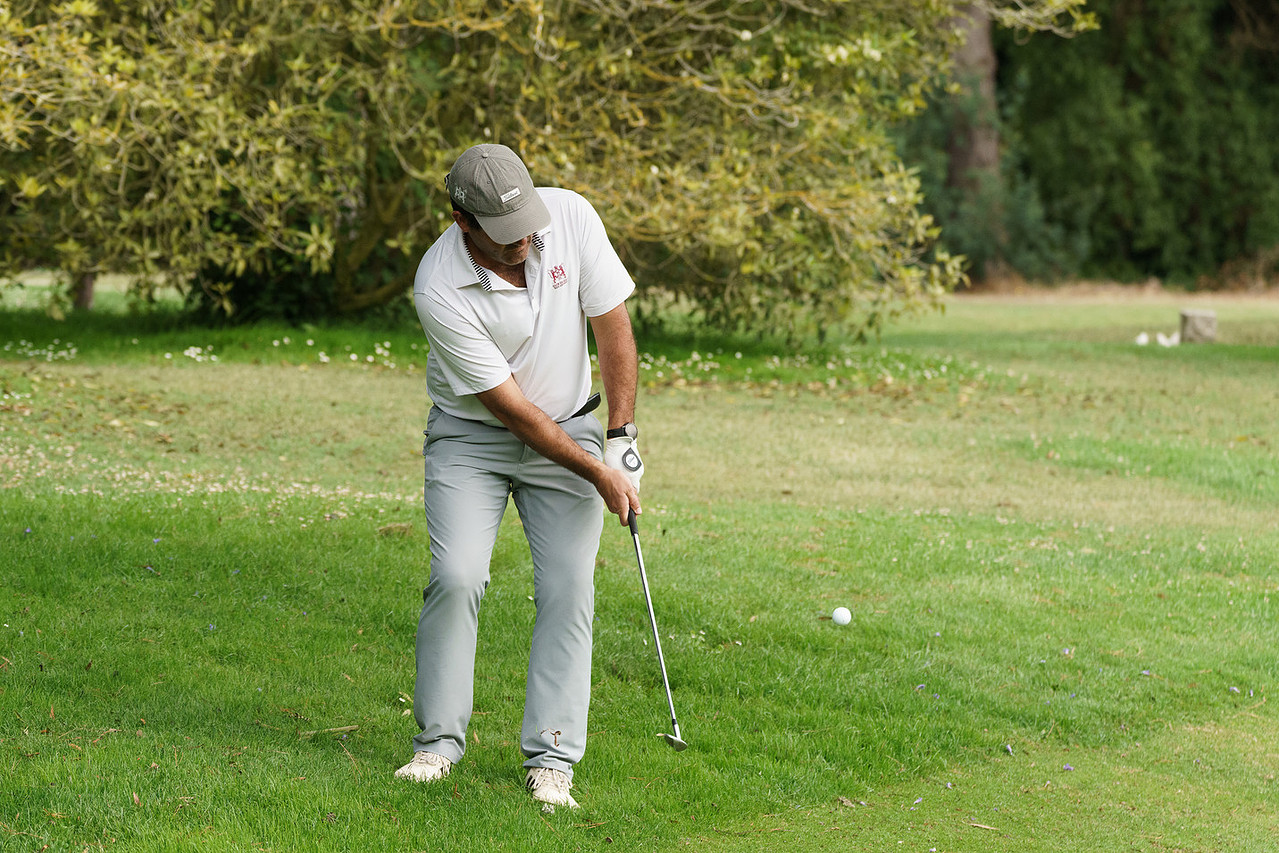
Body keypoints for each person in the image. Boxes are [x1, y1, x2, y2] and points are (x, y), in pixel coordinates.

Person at [395, 143, 644, 812]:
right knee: (457, 575)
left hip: (575, 423)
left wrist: (620, 437)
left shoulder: (570, 216)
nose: (523, 240)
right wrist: (596, 472)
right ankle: (437, 745)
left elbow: (612, 325)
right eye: (504, 233)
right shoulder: (437, 285)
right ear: (461, 220)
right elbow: (512, 411)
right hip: (471, 438)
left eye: (526, 224)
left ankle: (552, 758)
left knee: (568, 586)